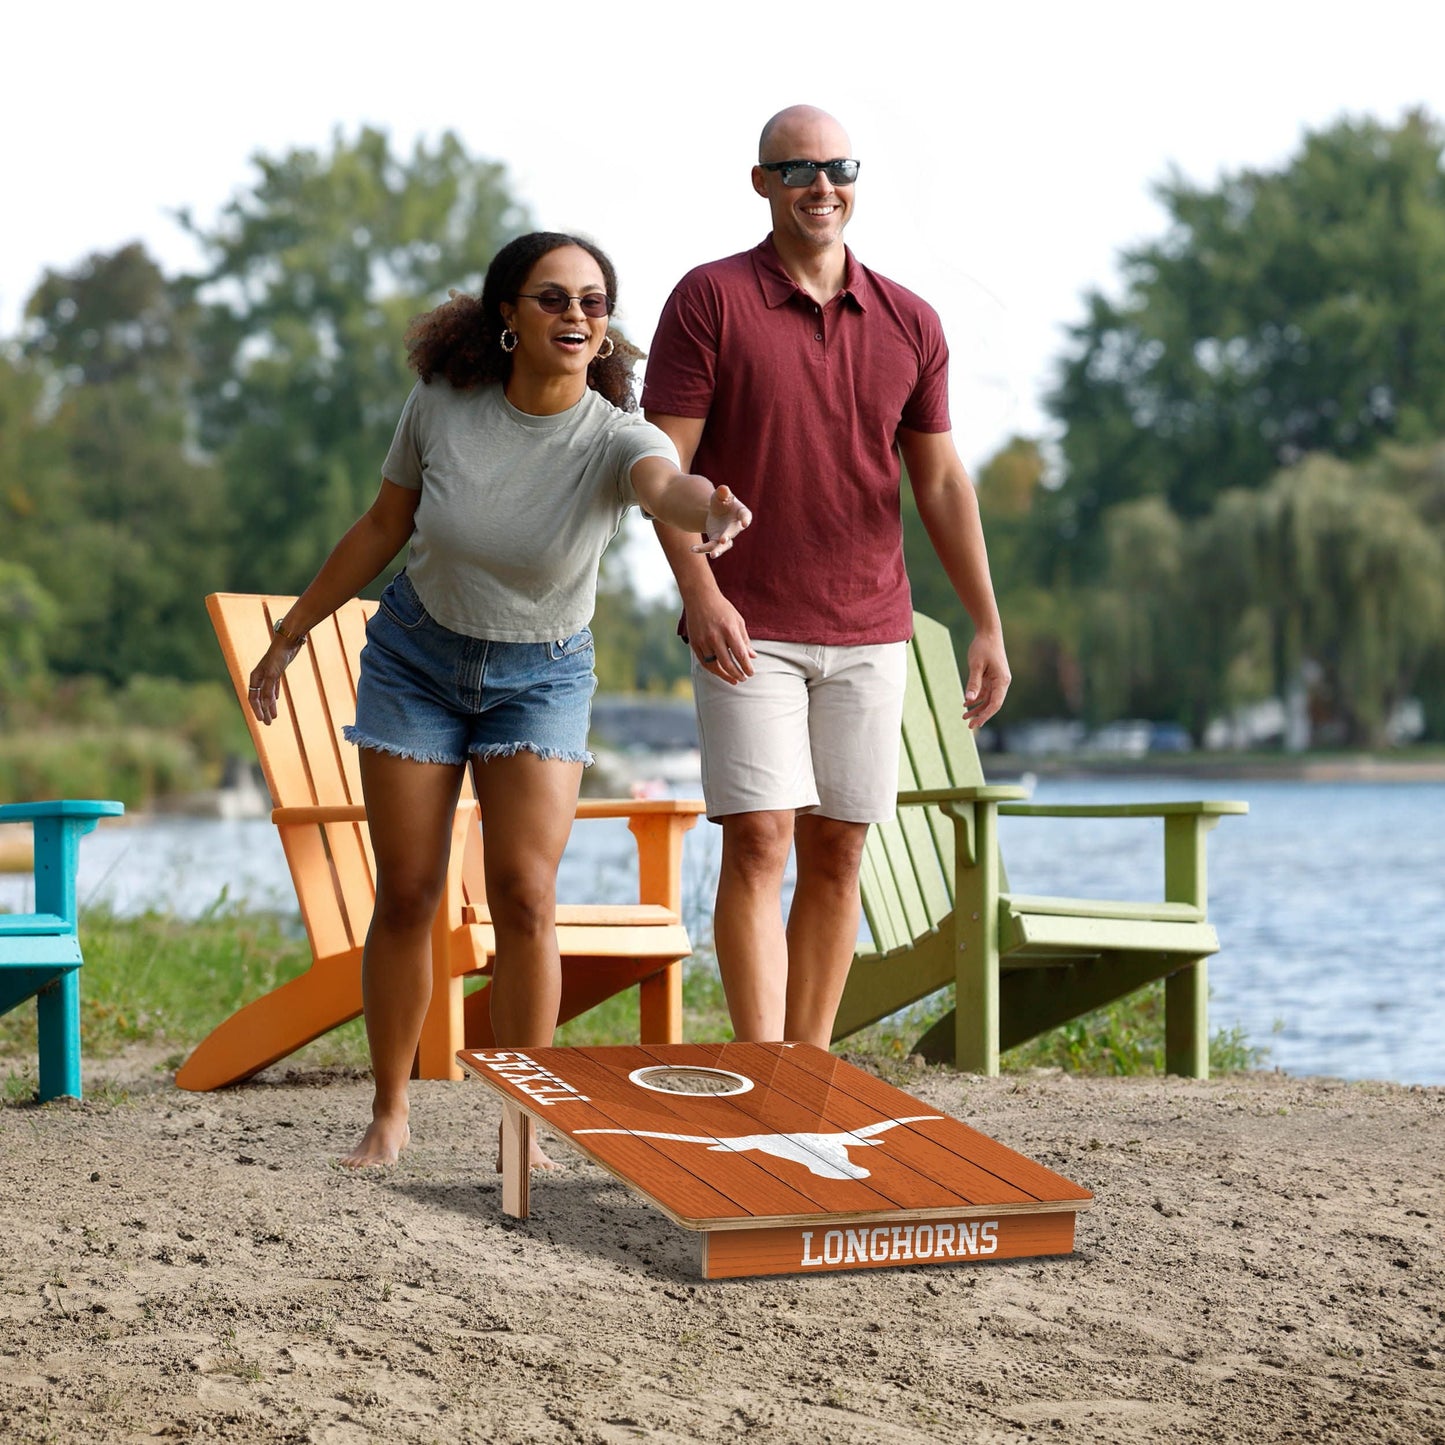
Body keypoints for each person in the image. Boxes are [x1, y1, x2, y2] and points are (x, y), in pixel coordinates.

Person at [246, 231, 752, 1169]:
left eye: (592, 301)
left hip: (542, 675)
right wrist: (294, 629)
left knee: (525, 895)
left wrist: (708, 510)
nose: (575, 314)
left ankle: (524, 1121)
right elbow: (383, 525)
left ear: (606, 328)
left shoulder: (616, 436)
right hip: (416, 660)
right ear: (508, 315)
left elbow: (664, 487)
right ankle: (390, 1110)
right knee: (408, 891)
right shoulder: (442, 404)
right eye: (552, 297)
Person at [641, 104, 1010, 1050]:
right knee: (760, 837)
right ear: (760, 183)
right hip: (746, 623)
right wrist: (700, 594)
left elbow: (940, 481)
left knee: (839, 848)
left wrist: (985, 622)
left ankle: (804, 1068)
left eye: (837, 167)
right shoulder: (709, 299)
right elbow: (659, 469)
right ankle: (761, 1067)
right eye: (797, 169)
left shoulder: (909, 320)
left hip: (870, 626)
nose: (820, 186)